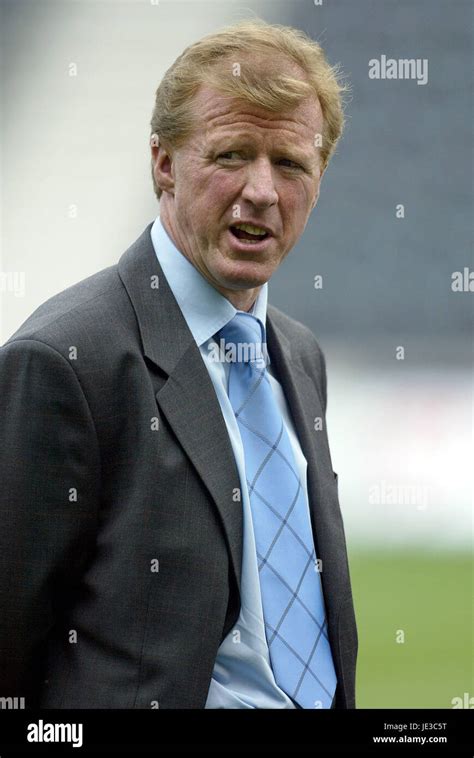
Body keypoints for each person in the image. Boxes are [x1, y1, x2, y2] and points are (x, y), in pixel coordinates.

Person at [0, 19, 357, 709]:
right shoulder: (65, 363)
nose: (261, 190)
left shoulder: (301, 357)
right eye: (231, 155)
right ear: (163, 162)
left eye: (290, 164)